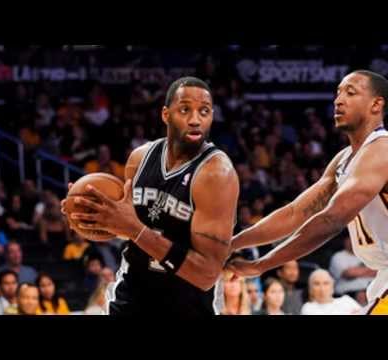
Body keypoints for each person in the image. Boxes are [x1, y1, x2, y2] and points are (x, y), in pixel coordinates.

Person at [63, 77, 239, 317]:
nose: (196, 120)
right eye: (185, 109)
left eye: (204, 111)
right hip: (131, 299)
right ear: (166, 114)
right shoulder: (139, 159)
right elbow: (131, 227)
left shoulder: (216, 174)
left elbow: (207, 274)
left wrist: (136, 230)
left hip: (187, 306)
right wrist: (92, 213)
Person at [227, 70, 388, 315]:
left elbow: (330, 220)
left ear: (377, 104)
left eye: (350, 92)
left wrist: (261, 265)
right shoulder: (345, 159)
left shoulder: (382, 149)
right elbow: (295, 212)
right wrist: (232, 243)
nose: (338, 100)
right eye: (338, 93)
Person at [329, 235, 376, 303]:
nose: (353, 241)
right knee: (362, 295)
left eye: (355, 239)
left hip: (371, 289)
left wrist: (357, 271)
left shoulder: (368, 255)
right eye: (350, 239)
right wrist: (370, 269)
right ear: (345, 241)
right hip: (348, 294)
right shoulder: (338, 256)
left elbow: (379, 271)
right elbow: (348, 274)